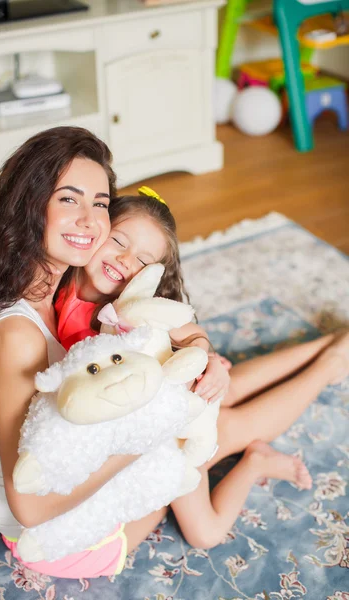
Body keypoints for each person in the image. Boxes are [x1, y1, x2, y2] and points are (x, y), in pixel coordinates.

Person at [56, 188, 349, 550]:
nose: (125, 259)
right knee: (228, 395)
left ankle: (329, 361)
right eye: (118, 240)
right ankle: (330, 345)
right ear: (98, 230)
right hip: (149, 417)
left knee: (206, 532)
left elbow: (193, 332)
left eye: (143, 261)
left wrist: (206, 356)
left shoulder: (131, 304)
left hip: (171, 424)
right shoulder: (56, 283)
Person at [0, 126, 168, 579]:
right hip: (55, 539)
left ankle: (324, 359)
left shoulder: (38, 279)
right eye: (69, 199)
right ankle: (327, 363)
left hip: (55, 489)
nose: (91, 221)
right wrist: (135, 447)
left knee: (197, 388)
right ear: (30, 205)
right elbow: (29, 507)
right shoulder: (18, 335)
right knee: (192, 443)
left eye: (101, 203)